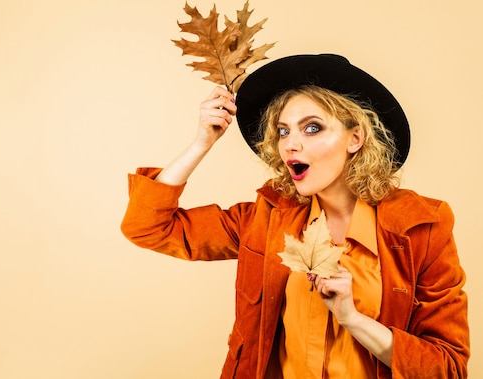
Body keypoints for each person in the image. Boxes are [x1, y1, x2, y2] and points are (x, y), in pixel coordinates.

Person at [120, 54, 469, 378]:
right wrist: (202, 143)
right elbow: (148, 226)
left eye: (312, 127)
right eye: (284, 131)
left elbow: (448, 367)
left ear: (355, 138)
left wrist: (353, 319)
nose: (289, 144)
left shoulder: (421, 227)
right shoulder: (267, 217)